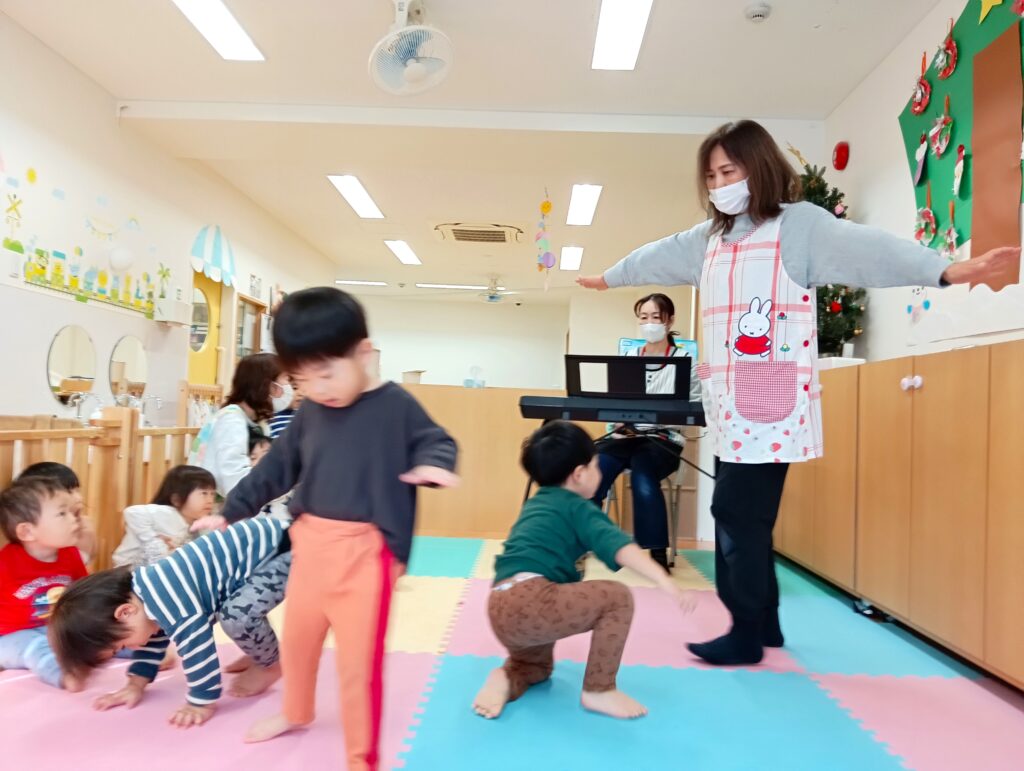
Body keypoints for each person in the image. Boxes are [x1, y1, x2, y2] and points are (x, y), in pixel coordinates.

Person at [577, 119, 1020, 667]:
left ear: (757, 168)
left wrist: (945, 270)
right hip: (731, 404)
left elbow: (870, 250)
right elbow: (655, 255)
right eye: (712, 175)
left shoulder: (797, 227)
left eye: (729, 170)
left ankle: (744, 631)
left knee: (733, 513)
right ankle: (766, 626)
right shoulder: (707, 241)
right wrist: (611, 277)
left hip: (774, 403)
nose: (719, 184)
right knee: (748, 517)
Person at [190, 287, 458, 770]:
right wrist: (232, 511)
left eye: (327, 371)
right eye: (302, 377)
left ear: (364, 354)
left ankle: (362, 756)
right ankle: (295, 711)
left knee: (358, 666)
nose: (318, 387)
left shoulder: (396, 406)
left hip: (366, 555)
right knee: (297, 642)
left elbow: (435, 440)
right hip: (309, 547)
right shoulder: (310, 411)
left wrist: (434, 466)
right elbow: (276, 470)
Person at [473, 421, 693, 722]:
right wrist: (663, 579)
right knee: (617, 598)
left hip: (499, 604)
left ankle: (506, 677)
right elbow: (620, 548)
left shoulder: (538, 504)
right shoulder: (578, 507)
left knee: (536, 669)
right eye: (596, 465)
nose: (601, 471)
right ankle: (599, 689)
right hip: (534, 600)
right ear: (579, 474)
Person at [48, 517, 291, 726]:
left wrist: (201, 702)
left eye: (122, 645)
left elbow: (198, 648)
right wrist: (135, 685)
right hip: (258, 560)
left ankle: (271, 663)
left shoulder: (171, 601)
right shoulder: (145, 595)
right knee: (237, 610)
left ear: (125, 612)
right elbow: (154, 638)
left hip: (285, 550)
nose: (131, 648)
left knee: (236, 616)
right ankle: (258, 649)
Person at [591, 293, 700, 571]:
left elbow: (694, 408)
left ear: (669, 320)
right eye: (644, 317)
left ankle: (656, 552)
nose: (649, 323)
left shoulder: (685, 361)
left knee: (643, 471)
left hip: (662, 442)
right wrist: (617, 422)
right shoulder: (628, 358)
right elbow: (616, 403)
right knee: (595, 469)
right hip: (625, 438)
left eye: (656, 317)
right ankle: (582, 540)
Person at [0, 477, 88, 690]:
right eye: (62, 513)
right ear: (27, 531)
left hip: (57, 629)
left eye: (72, 512)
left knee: (91, 632)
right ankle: (61, 673)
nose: (74, 519)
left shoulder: (70, 554)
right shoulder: (6, 563)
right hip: (12, 637)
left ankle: (138, 648)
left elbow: (84, 594)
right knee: (35, 647)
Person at [188, 352, 292, 498]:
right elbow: (234, 481)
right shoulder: (231, 421)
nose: (289, 389)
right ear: (268, 386)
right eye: (286, 381)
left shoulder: (258, 423)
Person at [111, 465, 217, 568]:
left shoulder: (199, 524)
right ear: (177, 499)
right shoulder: (166, 514)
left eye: (212, 494)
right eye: (204, 493)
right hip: (127, 570)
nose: (210, 500)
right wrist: (152, 540)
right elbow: (132, 512)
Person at [18, 462, 96, 563]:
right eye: (69, 492)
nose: (79, 498)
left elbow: (87, 562)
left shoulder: (84, 525)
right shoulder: (42, 532)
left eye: (77, 490)